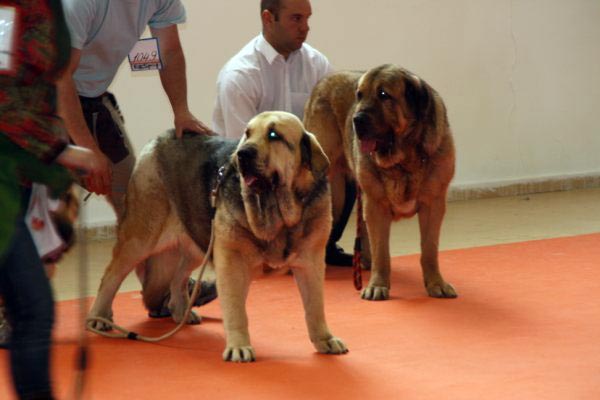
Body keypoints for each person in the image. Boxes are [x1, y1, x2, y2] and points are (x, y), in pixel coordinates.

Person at [56, 0, 217, 317]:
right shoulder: (82, 4)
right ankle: (8, 310)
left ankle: (160, 295)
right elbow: (61, 79)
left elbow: (168, 52)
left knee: (139, 206)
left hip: (94, 102)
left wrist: (181, 111)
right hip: (45, 103)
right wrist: (88, 148)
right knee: (42, 216)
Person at [0, 1, 102, 397]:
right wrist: (59, 151)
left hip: (18, 178)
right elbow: (5, 105)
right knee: (34, 309)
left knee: (32, 309)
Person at [212, 0, 355, 266]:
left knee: (345, 167)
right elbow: (238, 153)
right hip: (253, 174)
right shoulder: (240, 75)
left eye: (307, 19)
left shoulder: (317, 64)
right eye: (296, 19)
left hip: (296, 172)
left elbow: (335, 125)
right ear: (268, 18)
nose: (305, 28)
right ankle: (266, 250)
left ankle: (321, 245)